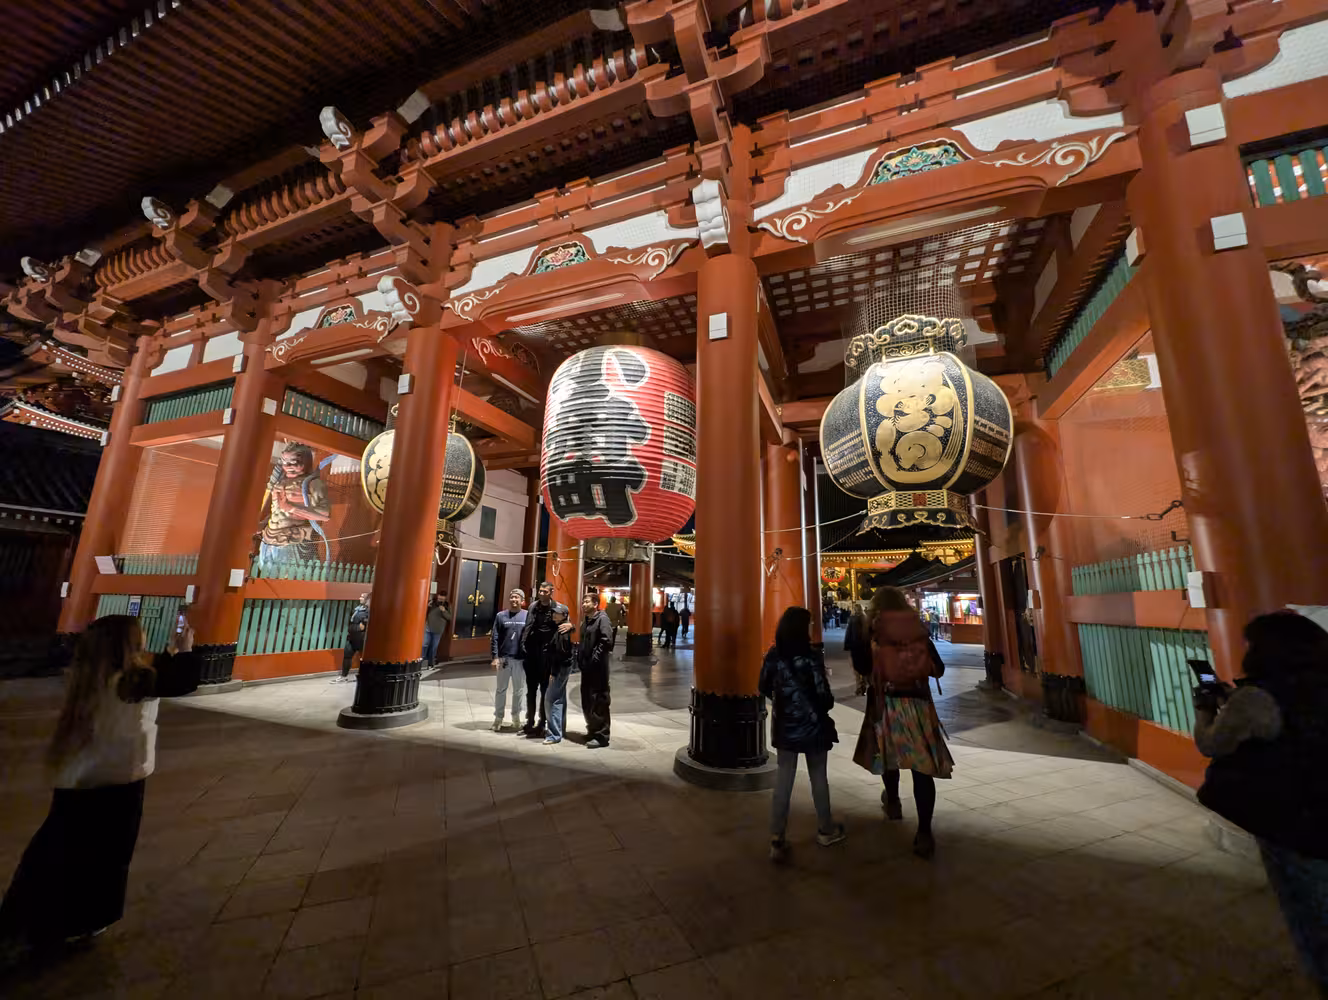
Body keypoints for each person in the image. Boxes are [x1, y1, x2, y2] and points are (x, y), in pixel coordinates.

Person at [0, 615, 200, 960]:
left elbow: (154, 680)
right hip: (117, 782)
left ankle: (26, 918)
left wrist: (167, 655)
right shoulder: (134, 680)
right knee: (105, 857)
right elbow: (181, 680)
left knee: (57, 852)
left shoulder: (89, 678)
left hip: (77, 780)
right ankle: (77, 920)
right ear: (128, 644)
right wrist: (185, 649)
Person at [1194, 612, 1328, 991]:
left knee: (1310, 915)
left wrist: (1205, 708)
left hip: (1293, 821)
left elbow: (1211, 743)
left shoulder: (1258, 698)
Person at [853, 586, 952, 860]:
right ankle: (923, 833)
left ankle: (894, 802)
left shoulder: (873, 630)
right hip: (918, 706)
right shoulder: (916, 630)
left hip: (886, 705)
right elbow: (939, 668)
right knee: (922, 771)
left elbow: (862, 666)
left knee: (889, 758)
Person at [759, 606, 845, 863]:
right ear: (801, 627)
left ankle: (777, 837)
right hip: (813, 725)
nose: (811, 628)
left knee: (783, 780)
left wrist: (782, 702)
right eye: (809, 624)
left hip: (785, 725)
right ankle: (825, 829)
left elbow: (762, 685)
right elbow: (824, 697)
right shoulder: (811, 656)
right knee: (819, 776)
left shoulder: (774, 655)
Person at [259, 442, 331, 568]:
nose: (287, 466)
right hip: (269, 537)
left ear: (306, 462)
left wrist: (292, 508)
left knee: (287, 577)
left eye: (293, 462)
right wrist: (263, 523)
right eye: (284, 462)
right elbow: (277, 511)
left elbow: (325, 514)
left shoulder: (313, 484)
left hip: (294, 539)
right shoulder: (281, 482)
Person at [519, 582, 571, 739]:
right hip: (532, 653)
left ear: (551, 592)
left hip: (548, 656)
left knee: (544, 690)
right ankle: (530, 722)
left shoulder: (559, 607)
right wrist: (523, 644)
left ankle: (542, 723)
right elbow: (528, 626)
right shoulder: (533, 606)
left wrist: (571, 625)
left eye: (544, 591)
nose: (541, 593)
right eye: (540, 591)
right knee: (531, 690)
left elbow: (566, 624)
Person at [578, 593, 614, 748]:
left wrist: (595, 659)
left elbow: (606, 640)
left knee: (599, 700)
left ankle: (602, 736)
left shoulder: (602, 619)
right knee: (587, 700)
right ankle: (592, 730)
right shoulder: (586, 621)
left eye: (587, 602)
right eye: (583, 602)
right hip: (586, 668)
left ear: (595, 604)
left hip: (598, 669)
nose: (583, 604)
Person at [490, 589, 528, 732]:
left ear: (522, 600)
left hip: (521, 660)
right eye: (511, 597)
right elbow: (494, 637)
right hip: (504, 659)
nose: (513, 599)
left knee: (518, 690)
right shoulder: (501, 616)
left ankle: (516, 717)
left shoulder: (527, 615)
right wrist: (495, 657)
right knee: (500, 689)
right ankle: (498, 718)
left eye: (517, 597)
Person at [337, 593, 370, 683]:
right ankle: (344, 676)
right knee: (347, 655)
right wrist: (355, 627)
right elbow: (352, 624)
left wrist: (356, 627)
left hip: (361, 639)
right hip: (352, 637)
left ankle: (363, 676)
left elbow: (363, 626)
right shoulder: (356, 610)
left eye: (362, 597)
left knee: (363, 659)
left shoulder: (368, 611)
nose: (360, 598)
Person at [845, 602, 870, 697]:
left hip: (855, 647)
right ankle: (864, 686)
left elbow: (848, 633)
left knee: (856, 668)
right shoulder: (866, 618)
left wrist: (847, 645)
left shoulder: (852, 619)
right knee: (864, 667)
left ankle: (859, 687)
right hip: (865, 647)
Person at [422, 593, 451, 666]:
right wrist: (427, 606)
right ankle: (422, 661)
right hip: (428, 627)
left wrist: (444, 611)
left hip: (438, 629)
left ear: (445, 599)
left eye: (442, 599)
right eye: (439, 599)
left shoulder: (447, 606)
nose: (440, 600)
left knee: (434, 646)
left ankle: (431, 662)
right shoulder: (432, 603)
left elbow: (449, 617)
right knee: (424, 644)